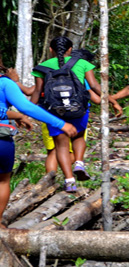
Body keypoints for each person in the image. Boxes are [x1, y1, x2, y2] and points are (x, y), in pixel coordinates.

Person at [31, 36, 118, 192]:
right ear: (70, 50)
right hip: (79, 109)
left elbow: (37, 92)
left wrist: (27, 113)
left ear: (51, 50)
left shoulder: (41, 67)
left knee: (61, 146)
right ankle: (79, 162)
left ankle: (69, 181)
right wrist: (113, 102)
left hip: (54, 111)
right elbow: (94, 86)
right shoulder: (83, 63)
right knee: (79, 136)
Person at [0, 72, 77, 227]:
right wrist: (60, 123)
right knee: (2, 181)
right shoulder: (5, 84)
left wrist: (18, 116)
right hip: (1, 140)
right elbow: (26, 106)